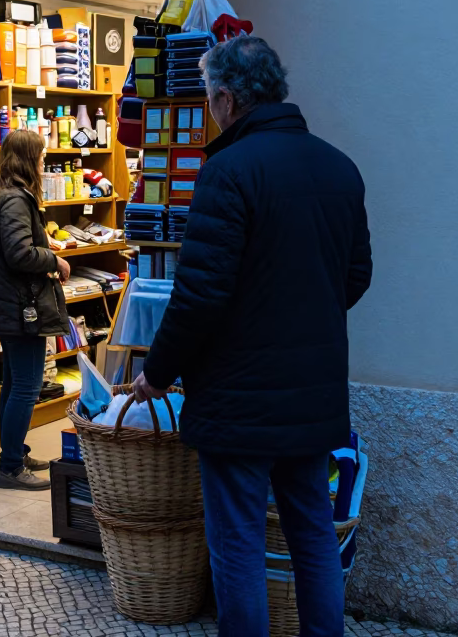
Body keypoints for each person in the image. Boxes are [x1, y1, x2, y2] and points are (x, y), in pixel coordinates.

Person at [134, 36, 372, 637]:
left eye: (211, 98)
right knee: (313, 534)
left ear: (227, 98)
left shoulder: (228, 172)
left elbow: (199, 296)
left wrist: (157, 371)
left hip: (239, 400)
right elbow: (357, 274)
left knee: (237, 544)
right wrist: (303, 317)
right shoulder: (339, 167)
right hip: (312, 397)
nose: (211, 109)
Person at [0, 129, 72, 491]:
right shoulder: (16, 200)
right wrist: (55, 260)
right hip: (21, 308)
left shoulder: (0, 195)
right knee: (26, 387)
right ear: (28, 158)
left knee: (15, 383)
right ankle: (11, 466)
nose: (44, 162)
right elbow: (20, 253)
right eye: (42, 156)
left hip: (9, 305)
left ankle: (15, 451)